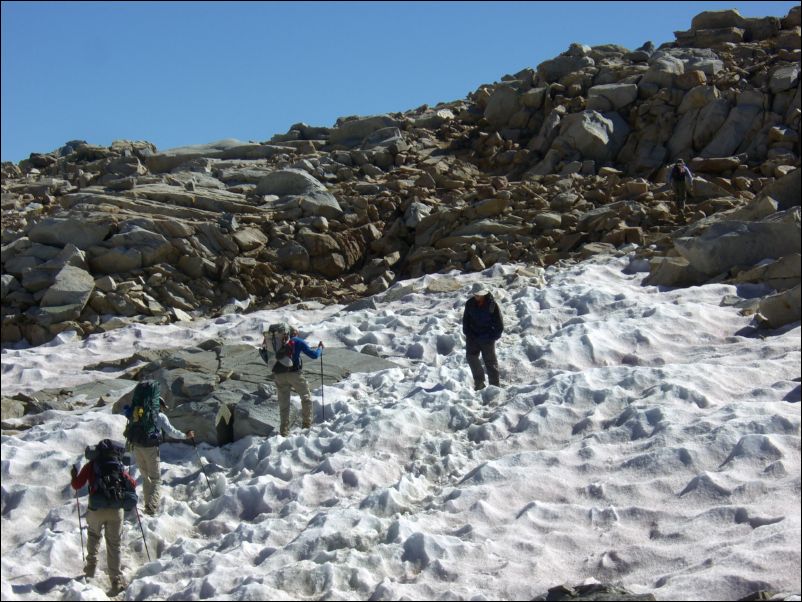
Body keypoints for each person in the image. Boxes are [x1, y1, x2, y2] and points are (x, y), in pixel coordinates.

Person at [70, 439, 138, 596]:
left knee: (94, 535)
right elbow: (132, 484)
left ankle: (91, 568)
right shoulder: (119, 466)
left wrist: (73, 476)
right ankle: (116, 580)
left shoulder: (91, 465)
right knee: (114, 545)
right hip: (116, 510)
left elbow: (77, 485)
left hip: (96, 508)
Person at [127, 396, 194, 516]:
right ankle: (151, 507)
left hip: (137, 447)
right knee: (156, 479)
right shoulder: (160, 416)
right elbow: (171, 432)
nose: (164, 409)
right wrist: (185, 436)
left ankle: (148, 503)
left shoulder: (139, 413)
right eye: (163, 407)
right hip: (151, 449)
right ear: (159, 405)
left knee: (145, 476)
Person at [262, 324, 324, 436]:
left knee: (284, 404)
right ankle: (306, 425)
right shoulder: (297, 341)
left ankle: (284, 431)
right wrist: (320, 349)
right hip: (295, 374)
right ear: (293, 333)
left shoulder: (275, 343)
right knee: (306, 398)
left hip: (279, 374)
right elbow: (314, 355)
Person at [462, 286, 504, 391]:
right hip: (473, 337)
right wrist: (468, 333)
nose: (477, 296)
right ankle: (479, 382)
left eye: (479, 294)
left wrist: (493, 336)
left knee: (490, 362)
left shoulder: (492, 305)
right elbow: (466, 320)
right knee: (471, 357)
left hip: (487, 338)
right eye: (475, 294)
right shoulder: (470, 303)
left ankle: (495, 385)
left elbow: (499, 323)